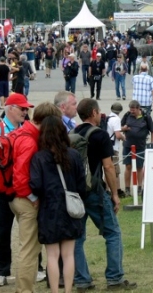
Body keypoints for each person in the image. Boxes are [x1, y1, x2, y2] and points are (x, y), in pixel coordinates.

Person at [73, 99, 137, 292]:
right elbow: (108, 167)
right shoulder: (99, 135)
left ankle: (82, 279)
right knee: (112, 233)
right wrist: (115, 194)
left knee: (77, 237)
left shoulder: (72, 133)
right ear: (93, 113)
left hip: (75, 193)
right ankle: (114, 277)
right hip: (94, 191)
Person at [9, 102, 62, 293]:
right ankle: (25, 290)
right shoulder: (29, 140)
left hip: (18, 198)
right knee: (29, 250)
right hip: (25, 199)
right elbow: (21, 176)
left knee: (29, 248)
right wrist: (33, 198)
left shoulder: (23, 133)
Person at [30, 116, 86, 293]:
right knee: (69, 254)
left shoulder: (39, 157)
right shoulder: (74, 155)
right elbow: (82, 185)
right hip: (70, 208)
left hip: (48, 208)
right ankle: (68, 290)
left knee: (52, 256)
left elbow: (36, 185)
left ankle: (55, 290)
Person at [0, 93, 35, 287]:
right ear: (10, 108)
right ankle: (0, 271)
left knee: (30, 232)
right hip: (4, 189)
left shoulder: (26, 128)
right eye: (22, 108)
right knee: (2, 231)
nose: (25, 111)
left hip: (23, 188)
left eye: (26, 109)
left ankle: (36, 268)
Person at [121, 100, 153, 197]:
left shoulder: (146, 117)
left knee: (139, 167)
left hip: (140, 146)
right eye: (131, 110)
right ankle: (127, 189)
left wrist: (152, 144)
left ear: (138, 108)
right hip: (128, 146)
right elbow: (120, 127)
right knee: (128, 167)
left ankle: (139, 188)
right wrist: (123, 129)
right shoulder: (127, 115)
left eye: (134, 110)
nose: (132, 112)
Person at [107, 102, 126, 198]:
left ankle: (107, 190)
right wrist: (123, 138)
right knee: (115, 170)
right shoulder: (117, 119)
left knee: (107, 168)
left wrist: (123, 128)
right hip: (113, 148)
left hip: (107, 146)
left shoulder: (108, 118)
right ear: (120, 111)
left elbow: (113, 129)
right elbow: (117, 135)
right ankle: (117, 190)